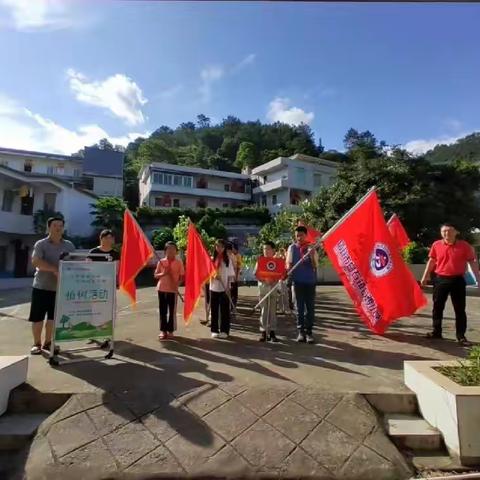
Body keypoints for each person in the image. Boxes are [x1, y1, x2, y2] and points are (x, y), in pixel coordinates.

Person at [421, 223, 480, 344]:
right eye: (443, 231)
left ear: (455, 232)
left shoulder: (464, 246)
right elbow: (432, 260)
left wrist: (478, 279)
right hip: (440, 279)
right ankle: (436, 332)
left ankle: (461, 336)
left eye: (449, 231)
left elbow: (472, 263)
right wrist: (425, 275)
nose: (446, 233)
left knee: (459, 309)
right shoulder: (436, 245)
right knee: (437, 307)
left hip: (457, 280)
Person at [28, 216, 75, 354]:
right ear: (49, 227)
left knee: (53, 318)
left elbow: (74, 263)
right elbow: (36, 262)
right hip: (41, 287)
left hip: (59, 289)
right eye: (55, 225)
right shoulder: (41, 244)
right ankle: (36, 344)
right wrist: (55, 269)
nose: (58, 228)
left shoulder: (69, 246)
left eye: (60, 225)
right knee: (37, 317)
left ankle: (48, 343)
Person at [286, 225, 319, 344]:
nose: (299, 238)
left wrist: (311, 254)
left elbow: (315, 266)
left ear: (306, 235)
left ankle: (309, 332)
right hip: (297, 282)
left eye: (301, 235)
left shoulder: (312, 247)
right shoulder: (292, 248)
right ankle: (301, 332)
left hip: (310, 282)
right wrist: (288, 273)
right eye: (297, 236)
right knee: (299, 308)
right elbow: (288, 265)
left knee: (310, 309)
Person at [154, 241, 184, 340]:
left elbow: (182, 277)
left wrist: (177, 285)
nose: (171, 251)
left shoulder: (179, 263)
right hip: (162, 289)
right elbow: (155, 275)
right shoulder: (161, 262)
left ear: (176, 251)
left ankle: (171, 331)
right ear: (165, 251)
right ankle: (163, 331)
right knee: (163, 311)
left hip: (173, 290)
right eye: (169, 249)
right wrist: (163, 273)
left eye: (173, 249)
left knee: (172, 311)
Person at [209, 239, 235, 339]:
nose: (219, 248)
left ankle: (224, 330)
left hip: (224, 288)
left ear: (224, 248)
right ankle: (214, 330)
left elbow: (230, 275)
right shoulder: (212, 259)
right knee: (214, 310)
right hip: (214, 287)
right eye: (217, 246)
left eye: (221, 246)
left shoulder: (227, 259)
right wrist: (213, 275)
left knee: (225, 311)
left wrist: (229, 287)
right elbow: (208, 272)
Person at [255, 241, 279, 342]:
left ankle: (272, 332)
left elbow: (280, 274)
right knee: (264, 311)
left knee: (272, 311)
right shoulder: (260, 261)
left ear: (273, 250)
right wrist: (264, 280)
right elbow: (256, 274)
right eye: (264, 249)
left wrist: (274, 280)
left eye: (268, 249)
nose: (266, 251)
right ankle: (263, 331)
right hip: (263, 288)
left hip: (273, 288)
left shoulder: (277, 261)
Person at [230, 243, 242, 313]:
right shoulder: (230, 255)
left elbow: (238, 267)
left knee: (234, 293)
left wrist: (236, 277)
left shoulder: (238, 256)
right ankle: (231, 306)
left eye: (233, 248)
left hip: (234, 277)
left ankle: (233, 306)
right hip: (230, 277)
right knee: (231, 293)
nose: (232, 250)